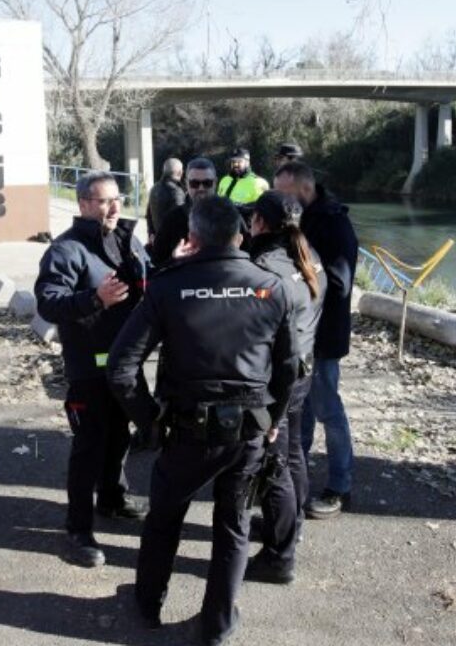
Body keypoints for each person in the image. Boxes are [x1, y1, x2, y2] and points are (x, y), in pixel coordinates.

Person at [106, 196, 299, 646]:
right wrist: (275, 418)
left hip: (186, 432)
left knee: (164, 519)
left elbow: (120, 368)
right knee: (234, 526)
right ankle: (217, 624)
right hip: (249, 432)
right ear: (241, 236)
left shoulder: (168, 286)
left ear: (191, 238)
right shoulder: (272, 287)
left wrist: (149, 421)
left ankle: (147, 604)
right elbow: (290, 367)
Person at [34, 172, 151, 568]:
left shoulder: (126, 238)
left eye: (117, 199)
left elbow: (147, 275)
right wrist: (94, 298)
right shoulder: (66, 250)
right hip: (89, 369)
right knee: (89, 449)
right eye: (104, 201)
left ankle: (113, 498)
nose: (114, 207)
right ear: (83, 204)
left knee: (119, 437)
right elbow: (49, 303)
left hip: (125, 364)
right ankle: (77, 531)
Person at [244, 190, 326, 585]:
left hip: (277, 378)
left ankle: (280, 556)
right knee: (292, 454)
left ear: (259, 223)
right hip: (302, 372)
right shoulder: (309, 256)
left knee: (273, 465)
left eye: (252, 218)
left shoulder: (264, 269)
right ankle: (291, 528)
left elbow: (253, 331)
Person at [274, 160, 360, 519]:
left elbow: (339, 283)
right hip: (301, 335)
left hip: (323, 338)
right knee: (300, 412)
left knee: (327, 410)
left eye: (284, 194)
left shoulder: (334, 223)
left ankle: (341, 486)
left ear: (305, 190)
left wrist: (300, 274)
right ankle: (295, 481)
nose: (279, 200)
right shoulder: (301, 217)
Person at [146, 157, 216, 269]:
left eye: (207, 183)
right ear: (186, 183)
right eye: (194, 183)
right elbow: (157, 262)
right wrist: (174, 260)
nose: (201, 188)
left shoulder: (228, 216)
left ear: (215, 182)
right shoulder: (172, 219)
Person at [145, 158, 186, 243]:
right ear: (180, 173)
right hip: (172, 243)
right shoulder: (176, 191)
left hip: (157, 240)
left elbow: (149, 214)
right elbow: (180, 219)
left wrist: (151, 233)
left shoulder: (154, 188)